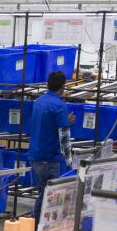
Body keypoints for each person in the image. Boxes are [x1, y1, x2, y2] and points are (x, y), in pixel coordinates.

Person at [28, 71, 74, 220]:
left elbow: (45, 124)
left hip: (35, 155)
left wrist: (65, 121)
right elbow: (64, 137)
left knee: (43, 192)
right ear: (62, 87)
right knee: (49, 197)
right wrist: (70, 161)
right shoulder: (59, 106)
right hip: (49, 158)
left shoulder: (39, 101)